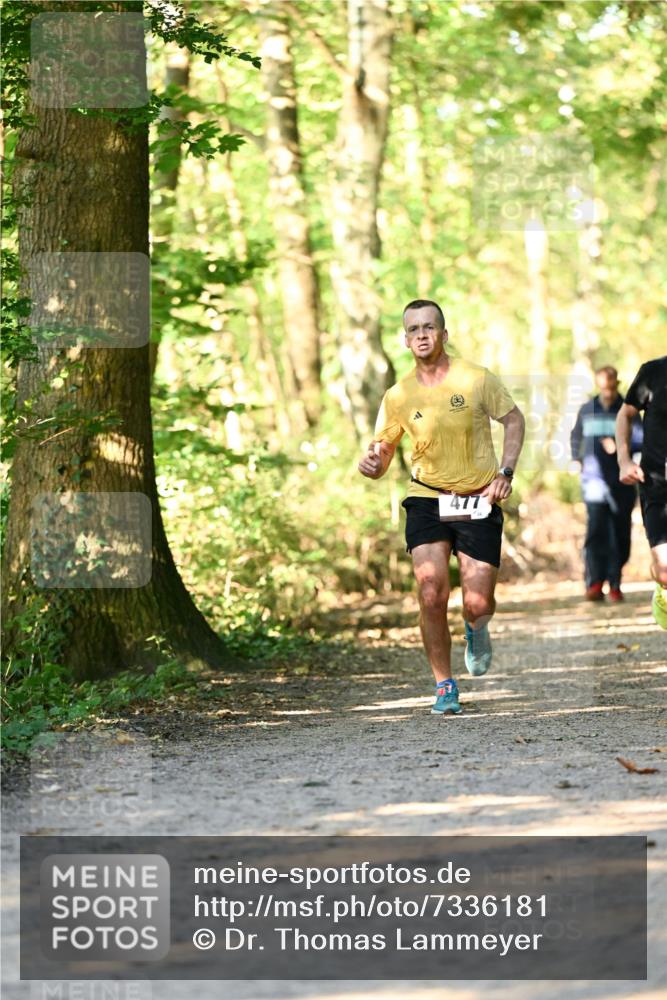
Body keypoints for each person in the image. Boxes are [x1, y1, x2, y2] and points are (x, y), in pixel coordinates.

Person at [358, 299, 525, 715]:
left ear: (443, 335)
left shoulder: (476, 378)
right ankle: (444, 685)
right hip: (427, 498)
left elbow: (515, 419)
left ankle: (476, 627)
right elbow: (382, 454)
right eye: (413, 329)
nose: (422, 334)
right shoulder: (398, 396)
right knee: (431, 589)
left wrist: (505, 471)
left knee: (478, 603)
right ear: (405, 339)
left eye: (429, 327)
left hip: (478, 497)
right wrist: (372, 464)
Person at [570, 366, 641, 602]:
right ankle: (594, 583)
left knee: (620, 533)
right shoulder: (587, 409)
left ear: (616, 384)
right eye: (603, 388)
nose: (607, 393)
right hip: (593, 482)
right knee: (596, 532)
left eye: (611, 387)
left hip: (622, 481)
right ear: (598, 385)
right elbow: (575, 436)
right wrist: (576, 459)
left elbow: (642, 439)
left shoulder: (628, 409)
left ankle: (615, 584)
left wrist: (620, 447)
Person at [615, 356, 667, 630]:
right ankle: (663, 587)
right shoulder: (654, 372)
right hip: (658, 484)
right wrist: (624, 460)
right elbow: (625, 414)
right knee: (666, 571)